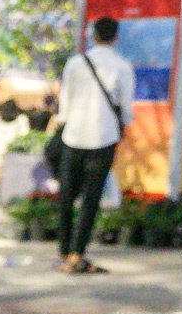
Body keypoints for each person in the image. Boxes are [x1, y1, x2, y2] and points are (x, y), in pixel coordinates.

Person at [55, 16, 134, 273]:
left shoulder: (75, 63)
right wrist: (123, 127)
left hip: (73, 136)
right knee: (91, 199)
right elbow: (126, 109)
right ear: (116, 37)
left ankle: (64, 252)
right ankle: (77, 253)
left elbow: (65, 101)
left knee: (66, 196)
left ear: (94, 36)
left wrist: (64, 120)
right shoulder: (122, 66)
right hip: (104, 138)